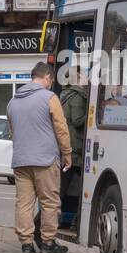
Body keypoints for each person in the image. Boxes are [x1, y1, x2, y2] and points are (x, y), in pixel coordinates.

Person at [7, 62, 72, 253]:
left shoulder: (13, 101)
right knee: (49, 201)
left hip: (20, 159)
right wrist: (67, 153)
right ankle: (47, 241)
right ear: (47, 78)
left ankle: (26, 243)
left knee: (24, 203)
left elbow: (13, 131)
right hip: (45, 159)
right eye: (51, 80)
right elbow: (61, 128)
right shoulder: (49, 97)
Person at [58, 72, 88, 229]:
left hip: (67, 146)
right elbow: (77, 121)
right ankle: (76, 222)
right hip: (77, 149)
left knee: (62, 188)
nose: (87, 77)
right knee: (86, 187)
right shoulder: (77, 97)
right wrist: (92, 113)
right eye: (83, 75)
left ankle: (51, 220)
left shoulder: (64, 95)